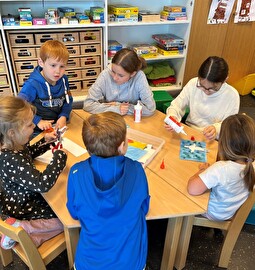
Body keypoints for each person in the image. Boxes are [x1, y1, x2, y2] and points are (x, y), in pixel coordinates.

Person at [66, 111, 150, 270]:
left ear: (88, 147)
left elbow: (74, 212)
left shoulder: (76, 172)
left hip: (88, 264)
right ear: (121, 146)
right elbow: (144, 208)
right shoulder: (137, 169)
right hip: (131, 264)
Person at [0, 96, 68, 249]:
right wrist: (59, 159)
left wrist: (45, 142)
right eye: (30, 125)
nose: (34, 127)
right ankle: (23, 229)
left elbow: (28, 153)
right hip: (23, 207)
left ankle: (31, 237)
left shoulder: (13, 145)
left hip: (17, 199)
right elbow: (42, 184)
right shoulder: (11, 159)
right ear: (12, 132)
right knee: (64, 220)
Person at [187, 114, 255, 221]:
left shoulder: (221, 168)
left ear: (223, 143)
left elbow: (192, 189)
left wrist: (203, 170)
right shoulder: (252, 164)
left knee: (183, 197)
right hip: (231, 211)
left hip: (214, 213)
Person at [165, 56, 240, 140]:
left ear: (225, 80)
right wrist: (173, 116)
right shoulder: (193, 83)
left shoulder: (232, 95)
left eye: (212, 89)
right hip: (190, 132)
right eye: (202, 86)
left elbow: (229, 125)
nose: (206, 92)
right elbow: (176, 106)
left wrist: (216, 129)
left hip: (214, 140)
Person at [18, 39, 73, 135]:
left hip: (58, 125)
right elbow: (19, 106)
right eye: (53, 65)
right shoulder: (32, 84)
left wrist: (64, 116)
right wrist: (37, 121)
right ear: (41, 62)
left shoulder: (64, 80)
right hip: (37, 129)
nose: (57, 71)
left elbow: (68, 100)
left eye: (62, 66)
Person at [83, 48, 156, 116]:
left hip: (133, 121)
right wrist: (116, 109)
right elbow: (88, 104)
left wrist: (119, 106)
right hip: (109, 119)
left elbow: (150, 109)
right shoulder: (105, 74)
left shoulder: (139, 76)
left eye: (121, 75)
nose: (114, 78)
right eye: (113, 71)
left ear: (132, 74)